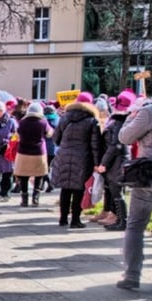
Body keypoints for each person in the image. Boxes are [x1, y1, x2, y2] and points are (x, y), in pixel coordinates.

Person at [116, 98, 152, 291]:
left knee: (135, 226)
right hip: (149, 176)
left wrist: (131, 117)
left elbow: (125, 137)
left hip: (149, 176)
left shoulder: (150, 112)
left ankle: (132, 275)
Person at [50, 92, 103, 228]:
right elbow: (95, 145)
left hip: (64, 155)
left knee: (65, 188)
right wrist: (97, 163)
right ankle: (75, 220)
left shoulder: (64, 117)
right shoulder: (92, 121)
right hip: (83, 157)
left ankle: (62, 218)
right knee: (78, 189)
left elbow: (56, 139)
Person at [97, 91, 135, 231]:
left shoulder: (119, 122)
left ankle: (122, 221)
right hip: (118, 160)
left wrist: (104, 163)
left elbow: (115, 145)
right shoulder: (122, 121)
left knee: (117, 191)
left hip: (117, 161)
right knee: (116, 191)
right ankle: (120, 220)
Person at [14, 102, 51, 206]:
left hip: (23, 152)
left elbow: (17, 135)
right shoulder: (43, 122)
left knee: (23, 176)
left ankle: (24, 199)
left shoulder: (22, 122)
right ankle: (36, 198)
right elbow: (49, 134)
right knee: (39, 175)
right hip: (39, 152)